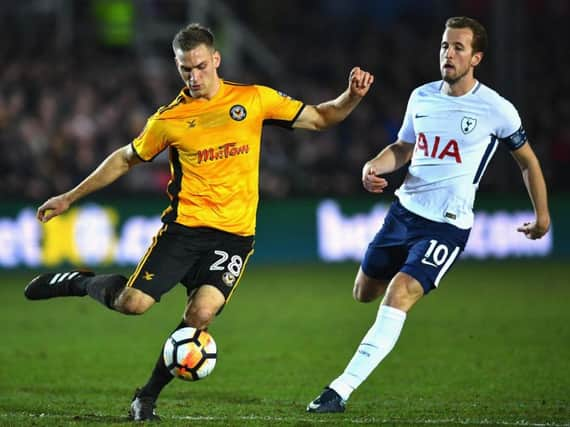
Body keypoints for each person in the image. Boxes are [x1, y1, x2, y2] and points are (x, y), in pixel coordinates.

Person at [24, 23, 374, 421]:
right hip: (184, 231)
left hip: (235, 237)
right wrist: (69, 197)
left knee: (200, 316)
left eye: (200, 66)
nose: (193, 76)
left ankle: (147, 397)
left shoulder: (253, 99)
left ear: (216, 59)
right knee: (133, 305)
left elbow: (320, 118)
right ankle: (82, 282)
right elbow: (125, 158)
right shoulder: (169, 120)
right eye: (185, 69)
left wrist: (352, 96)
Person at [307, 16, 550, 413]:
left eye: (458, 47)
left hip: (448, 225)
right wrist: (373, 166)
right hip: (403, 212)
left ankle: (339, 390)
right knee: (363, 293)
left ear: (476, 58)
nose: (448, 54)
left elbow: (528, 162)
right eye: (444, 46)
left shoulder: (497, 109)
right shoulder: (421, 97)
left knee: (398, 292)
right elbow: (403, 148)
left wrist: (542, 217)